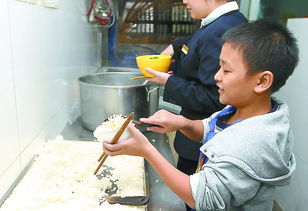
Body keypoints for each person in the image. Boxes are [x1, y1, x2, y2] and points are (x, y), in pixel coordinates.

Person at [103, 20, 298, 210]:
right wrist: (183, 123)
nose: (216, 76)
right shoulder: (240, 109)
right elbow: (211, 129)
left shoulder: (253, 142)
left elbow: (204, 199)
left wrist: (147, 150)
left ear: (262, 81)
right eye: (219, 67)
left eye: (227, 70)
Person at [145, 0, 247, 194]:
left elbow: (214, 98)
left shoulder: (221, 30)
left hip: (203, 145)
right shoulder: (223, 22)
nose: (184, 1)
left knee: (191, 198)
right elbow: (193, 43)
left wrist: (169, 82)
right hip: (199, 137)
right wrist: (174, 48)